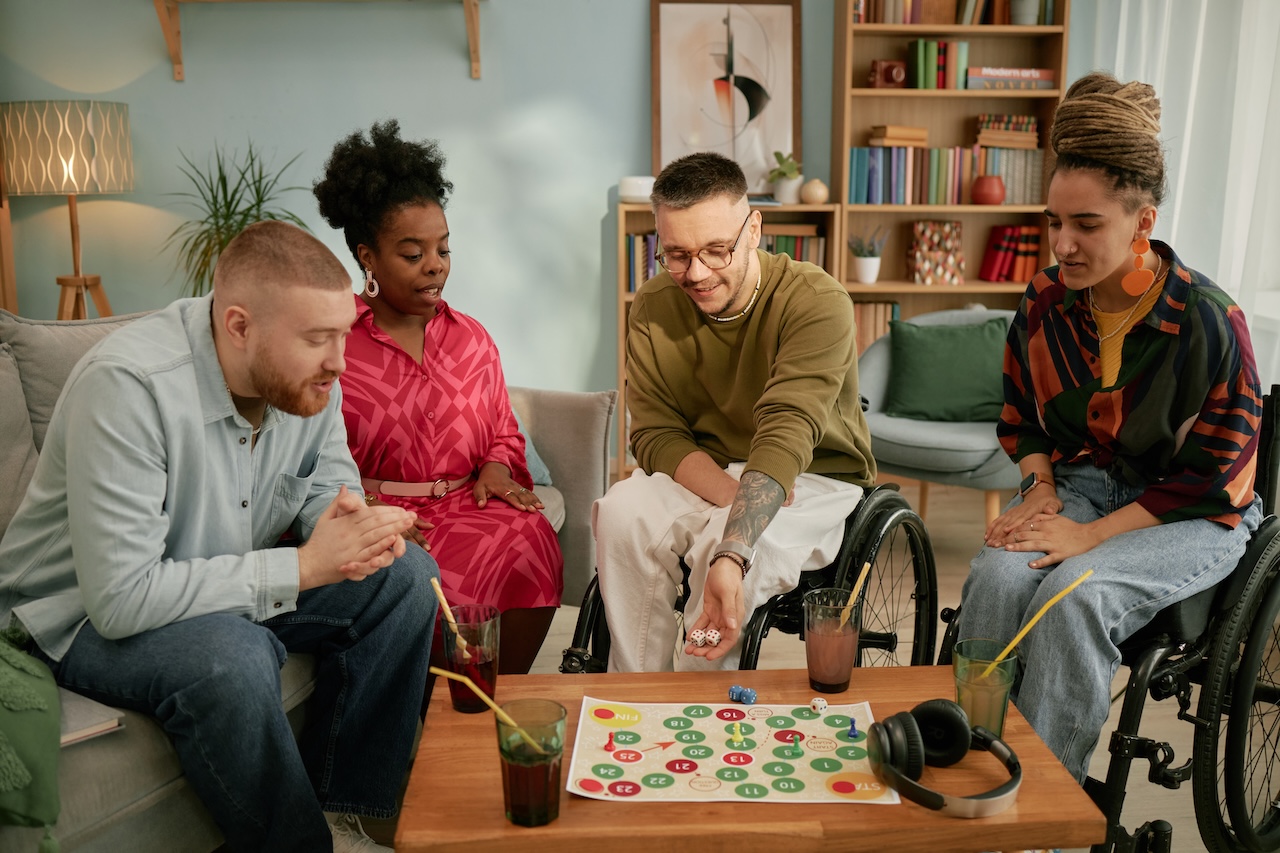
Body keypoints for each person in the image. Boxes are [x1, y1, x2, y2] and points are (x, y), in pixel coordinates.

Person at [0, 221, 437, 853]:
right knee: (233, 654)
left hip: (216, 576)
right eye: (317, 339)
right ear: (239, 327)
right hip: (75, 615)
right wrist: (304, 568)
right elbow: (120, 598)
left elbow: (325, 485)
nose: (340, 361)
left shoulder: (308, 379)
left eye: (343, 333)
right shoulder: (128, 387)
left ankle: (349, 818)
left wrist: (348, 527)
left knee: (406, 576)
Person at [957, 71, 1263, 784]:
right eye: (1054, 223)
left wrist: (1090, 536)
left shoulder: (1209, 321)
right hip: (1083, 484)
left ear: (1142, 222)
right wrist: (1040, 488)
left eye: (1087, 225)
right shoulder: (1045, 300)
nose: (1063, 244)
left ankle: (1046, 802)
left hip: (1192, 510)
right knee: (997, 577)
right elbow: (1022, 415)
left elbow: (1215, 480)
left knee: (1075, 594)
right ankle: (970, 764)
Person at [595, 152, 877, 672]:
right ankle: (637, 691)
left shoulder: (816, 300)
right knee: (620, 512)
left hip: (811, 474)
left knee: (719, 549)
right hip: (707, 468)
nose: (696, 274)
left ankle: (699, 703)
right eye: (676, 255)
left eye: (716, 250)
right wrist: (730, 493)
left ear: (754, 230)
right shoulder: (654, 304)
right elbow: (655, 432)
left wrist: (732, 543)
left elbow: (787, 429)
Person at [313, 120, 563, 675]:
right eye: (412, 253)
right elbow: (301, 458)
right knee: (424, 577)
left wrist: (496, 467)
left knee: (530, 537)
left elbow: (502, 428)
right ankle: (430, 703)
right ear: (368, 257)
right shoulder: (330, 342)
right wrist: (369, 509)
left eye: (443, 249)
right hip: (373, 514)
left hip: (461, 506)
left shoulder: (472, 338)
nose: (436, 264)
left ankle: (497, 691)